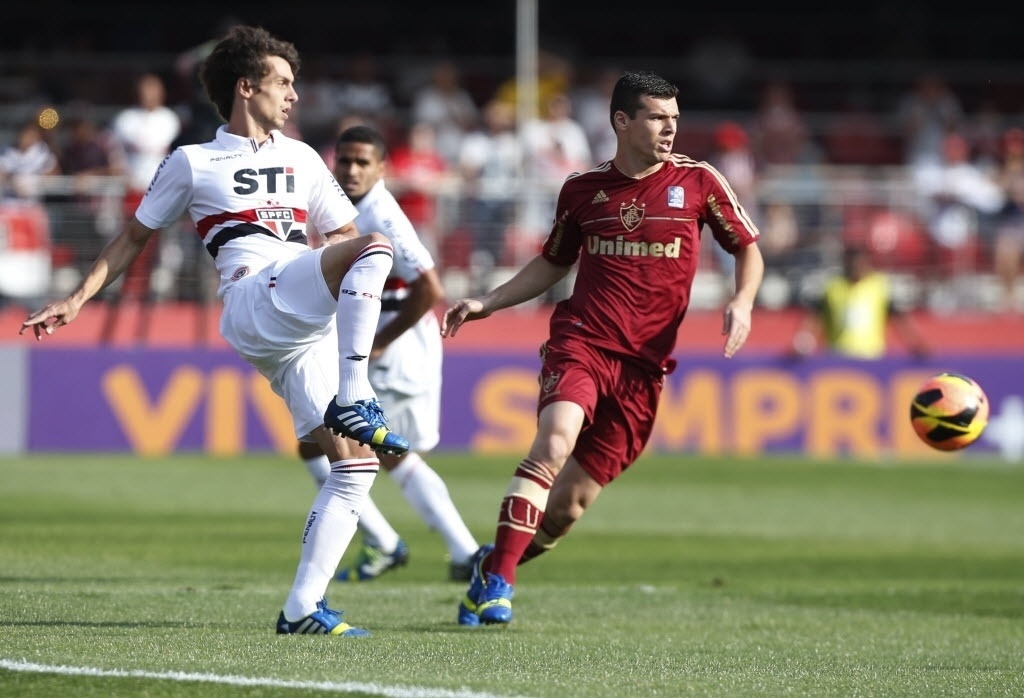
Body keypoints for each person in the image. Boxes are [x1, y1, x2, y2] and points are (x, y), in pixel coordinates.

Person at [19, 25, 410, 637]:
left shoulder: (303, 157)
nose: (294, 96)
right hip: (255, 295)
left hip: (295, 329)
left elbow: (340, 236)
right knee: (379, 246)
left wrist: (335, 263)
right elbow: (133, 238)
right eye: (283, 82)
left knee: (354, 466)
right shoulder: (193, 161)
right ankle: (359, 392)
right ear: (245, 86)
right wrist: (76, 299)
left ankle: (302, 609)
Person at [441, 70, 764, 625]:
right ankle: (500, 584)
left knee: (566, 508)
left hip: (644, 371)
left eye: (675, 119)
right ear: (622, 121)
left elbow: (748, 249)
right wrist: (487, 302)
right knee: (554, 440)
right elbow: (553, 261)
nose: (671, 129)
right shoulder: (583, 191)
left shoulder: (701, 182)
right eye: (658, 118)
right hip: (583, 343)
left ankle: (492, 567)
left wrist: (744, 301)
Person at [300, 124, 479, 583]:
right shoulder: (338, 207)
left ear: (382, 169)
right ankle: (392, 542)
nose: (353, 169)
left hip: (396, 349)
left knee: (379, 451)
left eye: (363, 162)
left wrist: (381, 342)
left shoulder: (383, 214)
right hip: (367, 344)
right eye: (346, 160)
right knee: (316, 442)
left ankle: (464, 551)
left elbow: (430, 289)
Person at [789, 243, 929, 359]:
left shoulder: (879, 286)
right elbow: (815, 317)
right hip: (838, 357)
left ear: (866, 263)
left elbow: (898, 318)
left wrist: (916, 343)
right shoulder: (832, 287)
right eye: (851, 263)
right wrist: (803, 342)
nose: (855, 267)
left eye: (859, 263)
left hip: (871, 357)